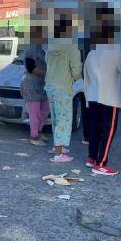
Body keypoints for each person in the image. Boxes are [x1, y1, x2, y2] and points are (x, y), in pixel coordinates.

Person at [83, 7, 121, 176]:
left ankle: (91, 158)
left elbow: (85, 76)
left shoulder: (91, 53)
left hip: (93, 96)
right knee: (108, 131)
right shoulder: (115, 52)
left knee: (95, 128)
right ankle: (101, 164)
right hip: (110, 98)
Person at [45, 14, 82, 163]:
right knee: (64, 119)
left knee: (55, 118)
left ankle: (57, 147)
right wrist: (77, 76)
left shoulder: (50, 46)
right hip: (63, 87)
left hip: (50, 86)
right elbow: (77, 70)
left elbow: (48, 64)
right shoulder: (71, 46)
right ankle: (59, 154)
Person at [22, 25, 49, 146]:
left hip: (42, 86)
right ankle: (34, 136)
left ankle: (39, 131)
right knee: (35, 113)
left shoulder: (40, 48)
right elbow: (30, 67)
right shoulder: (31, 47)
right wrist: (48, 73)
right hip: (32, 86)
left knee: (44, 110)